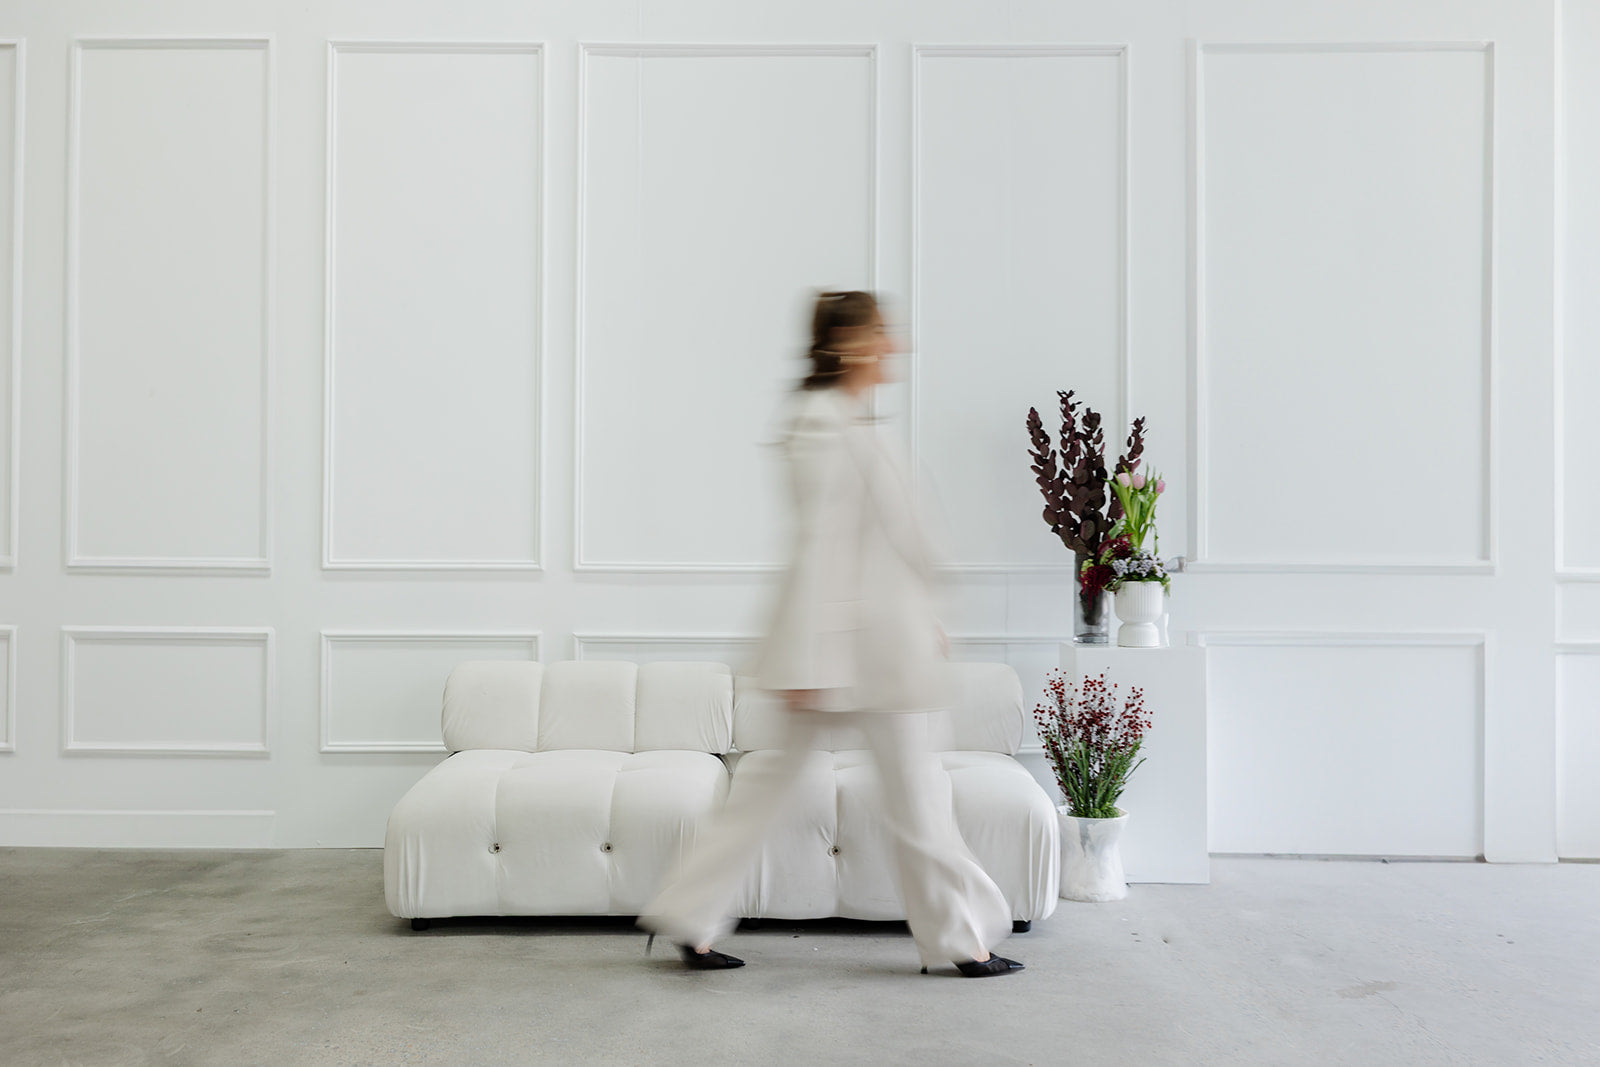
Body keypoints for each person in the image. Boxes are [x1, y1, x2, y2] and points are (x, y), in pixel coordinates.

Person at [637, 290, 1023, 978]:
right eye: (880, 333)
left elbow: (879, 540)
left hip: (868, 648)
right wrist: (812, 659)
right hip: (854, 657)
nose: (892, 345)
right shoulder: (822, 423)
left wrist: (921, 613)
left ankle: (688, 914)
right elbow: (820, 546)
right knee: (913, 799)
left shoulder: (849, 420)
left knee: (782, 794)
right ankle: (962, 940)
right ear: (845, 342)